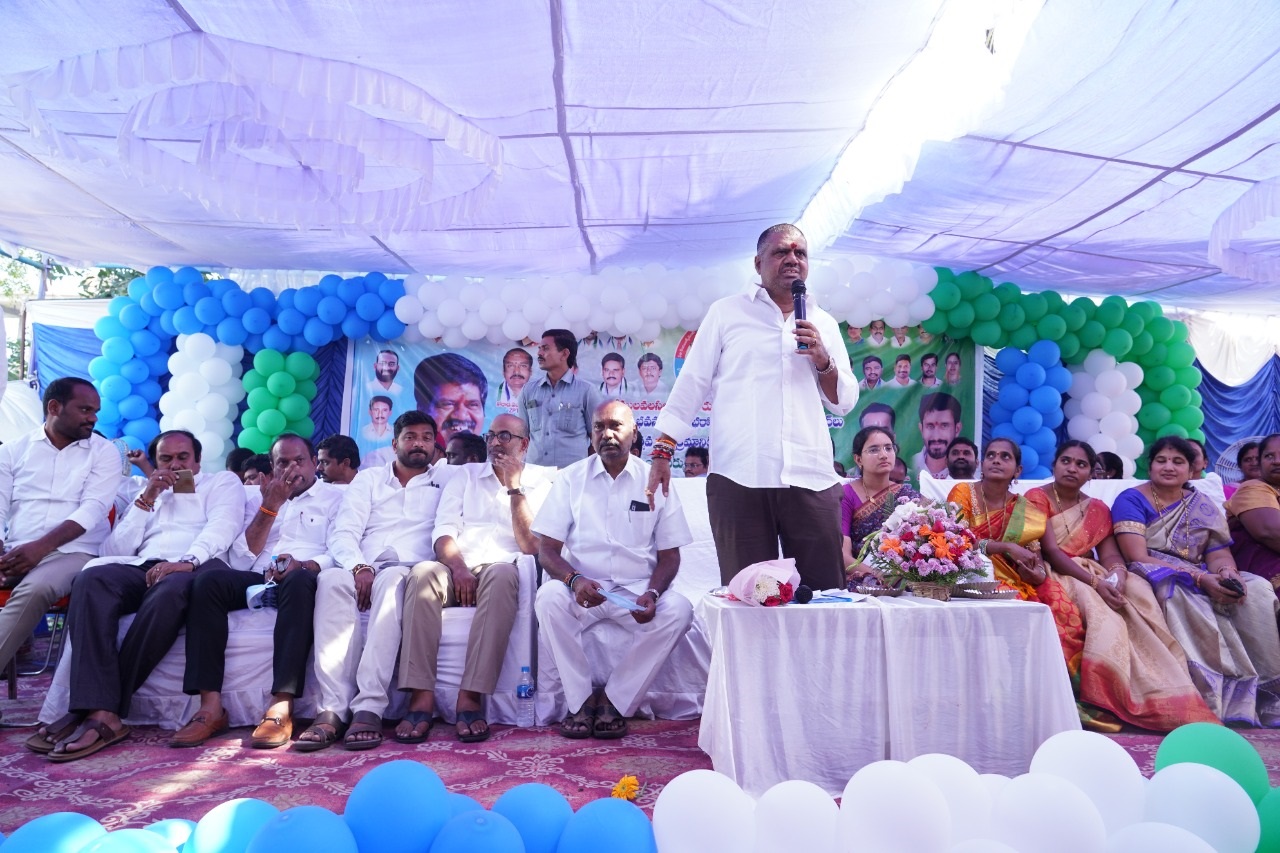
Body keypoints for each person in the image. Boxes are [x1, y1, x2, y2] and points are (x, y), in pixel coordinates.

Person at [650, 223, 856, 591]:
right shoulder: (726, 313)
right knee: (748, 597)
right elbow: (692, 383)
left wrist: (823, 360)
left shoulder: (823, 323)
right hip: (740, 476)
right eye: (781, 252)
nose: (792, 259)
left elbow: (843, 402)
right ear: (758, 263)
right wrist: (663, 451)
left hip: (811, 475)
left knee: (825, 596)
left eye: (800, 253)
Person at [41, 430, 245, 761]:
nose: (175, 465)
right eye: (166, 459)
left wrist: (187, 561)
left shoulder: (220, 482)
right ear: (155, 462)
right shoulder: (144, 492)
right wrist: (147, 498)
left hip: (195, 566)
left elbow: (223, 526)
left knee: (169, 594)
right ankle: (99, 709)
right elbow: (113, 551)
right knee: (91, 579)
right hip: (142, 566)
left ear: (197, 460)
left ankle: (97, 711)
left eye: (183, 458)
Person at [1027, 441, 1216, 732]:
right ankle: (1105, 692)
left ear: (1091, 473)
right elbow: (1052, 551)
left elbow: (1110, 554)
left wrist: (1118, 573)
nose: (1072, 468)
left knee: (1138, 591)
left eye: (1081, 464)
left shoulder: (1098, 508)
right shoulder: (1036, 498)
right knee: (1096, 608)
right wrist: (1096, 582)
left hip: (1094, 571)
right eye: (1066, 461)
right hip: (1058, 571)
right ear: (1054, 465)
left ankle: (1162, 687)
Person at [300, 411, 460, 752]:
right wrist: (358, 566)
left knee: (391, 583)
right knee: (330, 580)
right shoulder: (369, 480)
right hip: (362, 563)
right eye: (410, 437)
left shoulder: (447, 479)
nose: (419, 444)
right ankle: (332, 708)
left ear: (435, 445)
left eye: (426, 438)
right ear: (394, 443)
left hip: (408, 568)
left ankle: (369, 706)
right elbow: (344, 531)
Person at [172, 434, 344, 749]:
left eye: (299, 461)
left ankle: (281, 704)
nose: (292, 469)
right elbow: (240, 559)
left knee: (298, 580)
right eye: (283, 462)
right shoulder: (257, 499)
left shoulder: (335, 498)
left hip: (304, 575)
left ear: (313, 463)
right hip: (258, 576)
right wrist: (270, 506)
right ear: (272, 467)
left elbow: (340, 547)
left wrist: (305, 564)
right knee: (207, 582)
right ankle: (210, 706)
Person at [535, 400, 693, 739]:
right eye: (599, 427)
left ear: (634, 433)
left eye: (615, 426)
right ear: (590, 434)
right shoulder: (570, 479)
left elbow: (670, 555)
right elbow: (546, 550)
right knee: (548, 598)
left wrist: (652, 593)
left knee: (680, 610)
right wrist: (574, 580)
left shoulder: (655, 481)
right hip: (583, 591)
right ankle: (580, 700)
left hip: (635, 594)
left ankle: (614, 700)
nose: (606, 434)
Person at [395, 414, 554, 743]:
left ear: (524, 444)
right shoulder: (465, 476)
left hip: (502, 567)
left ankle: (470, 696)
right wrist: (458, 568)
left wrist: (514, 488)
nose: (495, 443)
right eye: (491, 436)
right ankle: (421, 696)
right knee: (422, 574)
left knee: (502, 573)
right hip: (456, 565)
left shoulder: (542, 481)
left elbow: (531, 546)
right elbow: (444, 530)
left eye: (505, 436)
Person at [1113, 436, 1280, 726]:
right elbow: (1136, 555)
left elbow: (1219, 553)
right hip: (1154, 571)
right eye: (1161, 460)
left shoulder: (1202, 504)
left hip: (1201, 570)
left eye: (1178, 462)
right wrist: (1201, 578)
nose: (1169, 467)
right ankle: (1210, 696)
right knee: (1181, 594)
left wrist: (1227, 573)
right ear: (1150, 467)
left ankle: (1266, 695)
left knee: (1257, 590)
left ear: (1192, 470)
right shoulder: (1131, 499)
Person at [0, 378, 122, 713]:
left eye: (95, 411)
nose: (93, 418)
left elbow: (93, 510)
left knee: (36, 589)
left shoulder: (104, 452)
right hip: (17, 550)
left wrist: (39, 549)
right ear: (54, 407)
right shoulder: (12, 451)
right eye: (85, 409)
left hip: (75, 552)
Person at [840, 426, 920, 582]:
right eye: (874, 450)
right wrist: (880, 575)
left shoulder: (907, 496)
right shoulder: (846, 495)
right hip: (863, 580)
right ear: (858, 459)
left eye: (888, 448)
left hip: (906, 581)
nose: (883, 455)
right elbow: (843, 557)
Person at [517, 328, 602, 469]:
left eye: (545, 348)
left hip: (573, 476)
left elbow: (598, 437)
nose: (539, 353)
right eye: (539, 348)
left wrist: (582, 469)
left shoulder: (586, 391)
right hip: (535, 475)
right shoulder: (528, 391)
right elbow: (521, 436)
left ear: (564, 354)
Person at [1225, 433, 1280, 594]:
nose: (1277, 461)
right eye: (1269, 456)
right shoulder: (1252, 488)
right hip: (1262, 562)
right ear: (1260, 463)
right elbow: (1271, 533)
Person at [414, 352, 488, 444]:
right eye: (447, 404)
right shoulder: (403, 452)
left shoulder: (494, 452)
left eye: (472, 405)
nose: (461, 416)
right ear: (421, 410)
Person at [912, 392, 963, 480]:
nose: (936, 437)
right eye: (930, 426)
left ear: (957, 429)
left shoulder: (966, 470)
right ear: (921, 429)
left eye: (944, 426)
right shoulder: (910, 465)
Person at [496, 348, 533, 415]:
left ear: (530, 371)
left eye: (523, 366)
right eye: (510, 366)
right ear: (503, 371)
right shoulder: (492, 394)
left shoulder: (541, 395)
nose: (516, 372)